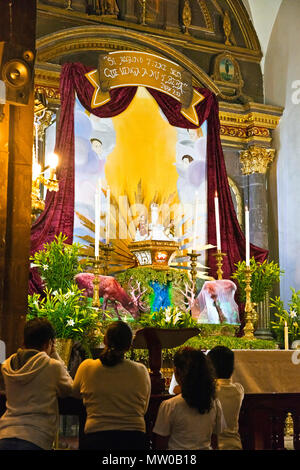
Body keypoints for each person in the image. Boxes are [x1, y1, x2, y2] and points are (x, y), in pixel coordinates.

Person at [72, 320, 151, 450]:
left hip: (96, 439)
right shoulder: (141, 371)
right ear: (129, 346)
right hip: (134, 440)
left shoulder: (87, 367)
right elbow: (144, 408)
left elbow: (74, 394)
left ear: (104, 340)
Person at [0, 318, 73, 450]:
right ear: (48, 344)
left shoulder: (7, 366)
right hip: (36, 437)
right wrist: (55, 354)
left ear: (23, 341)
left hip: (5, 435)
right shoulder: (52, 367)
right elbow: (69, 389)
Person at [153, 347, 225, 450]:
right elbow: (214, 441)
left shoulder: (170, 405)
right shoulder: (214, 403)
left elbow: (161, 445)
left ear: (177, 372)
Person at [207, 346, 244, 450]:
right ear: (232, 368)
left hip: (213, 446)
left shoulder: (208, 391)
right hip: (234, 444)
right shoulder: (239, 390)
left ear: (210, 368)